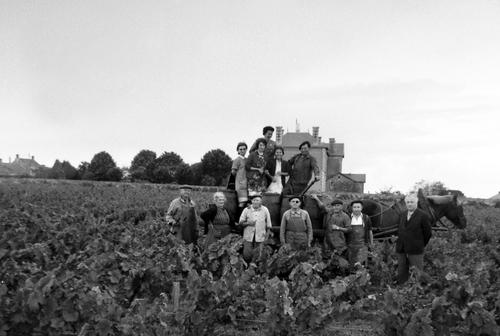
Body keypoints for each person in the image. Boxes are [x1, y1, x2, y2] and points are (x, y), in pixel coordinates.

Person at [396, 193, 432, 284]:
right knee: (402, 270)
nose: (409, 204)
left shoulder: (423, 216)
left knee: (417, 271)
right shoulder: (402, 214)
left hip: (416, 248)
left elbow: (428, 233)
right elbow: (400, 230)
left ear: (416, 203)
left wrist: (420, 244)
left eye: (412, 202)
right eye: (408, 202)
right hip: (401, 247)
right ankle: (402, 289)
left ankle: (417, 290)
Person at [238, 195, 272, 263]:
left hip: (260, 236)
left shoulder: (265, 210)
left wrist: (266, 237)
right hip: (248, 236)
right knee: (247, 255)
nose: (256, 202)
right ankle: (247, 268)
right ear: (251, 201)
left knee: (259, 255)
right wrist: (248, 223)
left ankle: (257, 270)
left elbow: (268, 225)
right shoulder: (246, 210)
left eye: (258, 200)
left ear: (261, 202)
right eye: (254, 200)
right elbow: (240, 223)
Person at [347, 200, 373, 266]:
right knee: (351, 265)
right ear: (352, 208)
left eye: (358, 207)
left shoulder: (366, 218)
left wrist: (371, 244)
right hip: (351, 245)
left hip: (363, 245)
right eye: (354, 207)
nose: (356, 209)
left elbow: (370, 231)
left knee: (362, 265)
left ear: (361, 208)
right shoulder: (348, 217)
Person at [231, 142, 248, 216]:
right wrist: (239, 179)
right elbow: (233, 172)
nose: (242, 151)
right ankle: (238, 219)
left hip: (247, 183)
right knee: (242, 202)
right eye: (240, 149)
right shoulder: (237, 160)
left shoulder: (247, 160)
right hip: (240, 184)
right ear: (238, 150)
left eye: (244, 149)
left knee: (247, 202)